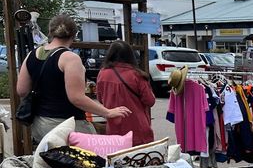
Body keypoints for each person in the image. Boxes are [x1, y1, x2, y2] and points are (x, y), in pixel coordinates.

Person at [17, 14, 131, 144]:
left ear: (50, 32)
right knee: (93, 158)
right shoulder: (70, 58)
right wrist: (108, 112)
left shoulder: (32, 55)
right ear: (74, 34)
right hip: (67, 125)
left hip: (40, 124)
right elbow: (77, 98)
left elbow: (21, 90)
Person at [96, 40, 156, 145]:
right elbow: (150, 101)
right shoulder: (137, 75)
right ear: (130, 55)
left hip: (113, 129)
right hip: (137, 129)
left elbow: (100, 99)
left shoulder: (102, 73)